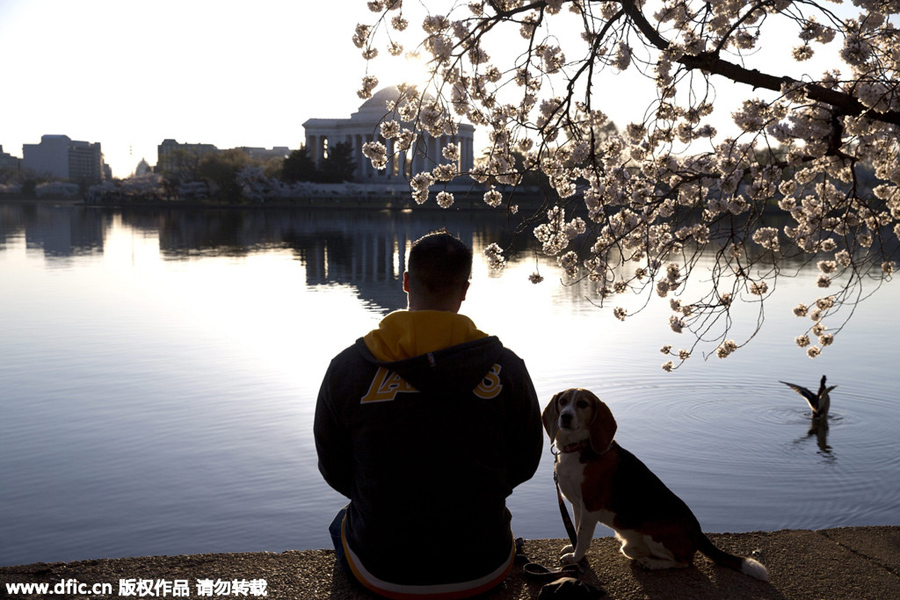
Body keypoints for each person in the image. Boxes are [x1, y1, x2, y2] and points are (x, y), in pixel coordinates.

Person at [314, 229, 543, 599]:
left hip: (381, 571)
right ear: (465, 289)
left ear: (405, 281)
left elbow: (334, 468)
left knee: (345, 519)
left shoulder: (348, 368)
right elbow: (526, 463)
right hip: (484, 564)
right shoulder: (507, 369)